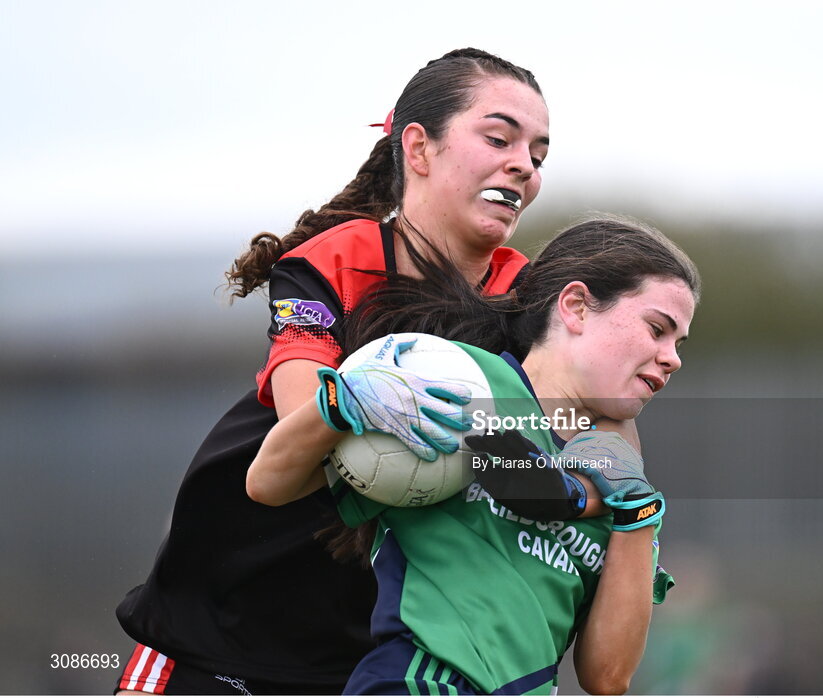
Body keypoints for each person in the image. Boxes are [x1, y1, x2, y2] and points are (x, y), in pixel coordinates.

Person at [116, 48, 577, 695]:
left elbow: (561, 438)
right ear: (418, 147)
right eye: (500, 137)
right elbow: (300, 407)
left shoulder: (533, 300)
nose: (523, 165)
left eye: (539, 154)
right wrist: (356, 403)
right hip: (219, 628)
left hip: (369, 654)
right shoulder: (334, 259)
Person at [246, 215, 702, 694]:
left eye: (678, 343)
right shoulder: (452, 379)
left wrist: (636, 513)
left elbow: (608, 677)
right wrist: (344, 400)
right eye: (657, 329)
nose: (673, 357)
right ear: (576, 307)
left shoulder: (620, 475)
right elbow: (268, 482)